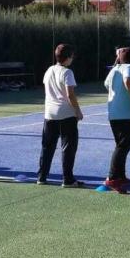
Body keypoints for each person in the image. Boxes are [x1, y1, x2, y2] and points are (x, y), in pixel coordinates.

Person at [38, 44, 86, 188]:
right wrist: (77, 110)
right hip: (66, 114)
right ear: (69, 57)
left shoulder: (49, 70)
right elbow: (70, 94)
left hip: (49, 114)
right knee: (68, 147)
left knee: (47, 147)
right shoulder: (67, 72)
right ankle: (68, 179)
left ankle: (41, 177)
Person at [103, 46, 130, 194]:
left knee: (122, 144)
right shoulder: (128, 67)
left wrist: (117, 94)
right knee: (123, 145)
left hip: (114, 112)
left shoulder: (115, 68)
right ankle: (112, 177)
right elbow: (128, 82)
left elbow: (106, 84)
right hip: (124, 112)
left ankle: (121, 176)